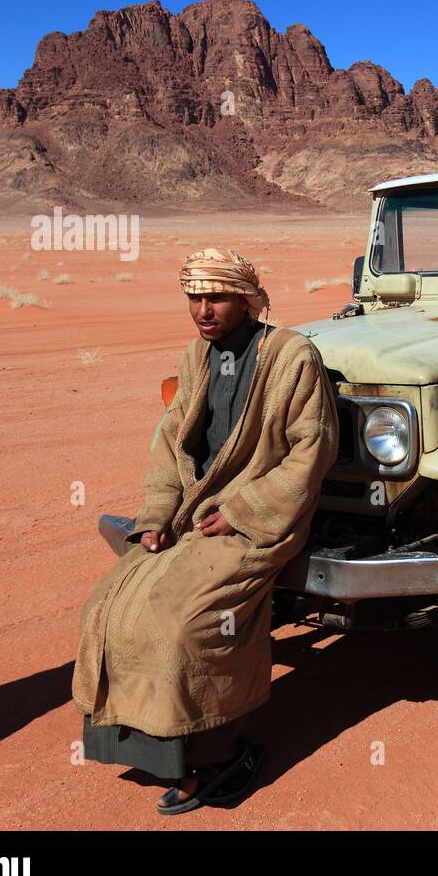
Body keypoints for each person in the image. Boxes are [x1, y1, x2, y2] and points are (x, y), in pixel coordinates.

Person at [72, 248, 339, 815]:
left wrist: (243, 512)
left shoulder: (291, 355)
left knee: (187, 624)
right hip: (195, 516)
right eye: (194, 297)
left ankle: (222, 756)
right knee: (108, 605)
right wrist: (156, 519)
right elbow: (171, 447)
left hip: (263, 521)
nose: (202, 310)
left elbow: (310, 450)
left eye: (215, 297)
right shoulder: (197, 356)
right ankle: (156, 746)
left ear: (245, 300)